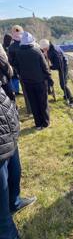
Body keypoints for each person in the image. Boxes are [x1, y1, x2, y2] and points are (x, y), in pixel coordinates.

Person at [0, 48, 36, 239]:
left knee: (15, 172)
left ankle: (14, 202)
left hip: (8, 136)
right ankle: (8, 233)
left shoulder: (3, 69)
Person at [16, 32, 52, 130]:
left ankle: (38, 124)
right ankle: (45, 122)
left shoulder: (18, 52)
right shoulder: (36, 51)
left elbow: (17, 67)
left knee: (33, 103)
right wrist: (49, 78)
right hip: (39, 81)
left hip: (27, 82)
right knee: (43, 102)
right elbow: (44, 66)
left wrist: (22, 76)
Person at [39, 39, 73, 107]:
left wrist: (50, 67)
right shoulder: (49, 47)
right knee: (64, 83)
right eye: (43, 49)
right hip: (60, 64)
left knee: (63, 84)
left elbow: (58, 65)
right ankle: (66, 95)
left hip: (63, 65)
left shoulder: (55, 52)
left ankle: (72, 100)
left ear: (47, 47)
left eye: (44, 49)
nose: (44, 50)